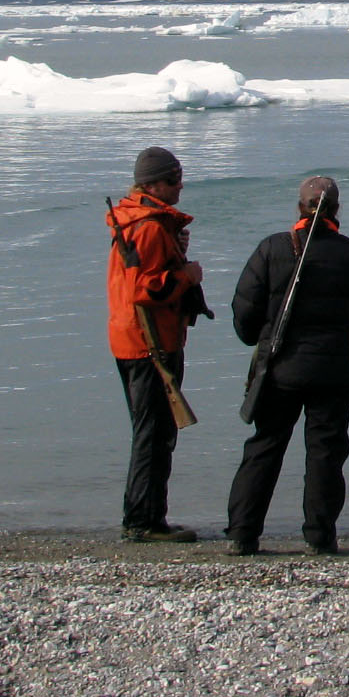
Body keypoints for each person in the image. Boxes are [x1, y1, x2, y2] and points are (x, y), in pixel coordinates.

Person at [226, 176, 349, 555]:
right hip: (333, 368)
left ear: (300, 207)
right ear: (336, 210)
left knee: (264, 446)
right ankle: (320, 536)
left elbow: (244, 311)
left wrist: (257, 337)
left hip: (279, 369)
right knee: (326, 452)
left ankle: (243, 535)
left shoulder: (272, 248)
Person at [105, 145, 205, 543]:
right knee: (154, 432)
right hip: (149, 343)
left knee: (155, 430)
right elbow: (143, 289)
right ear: (155, 184)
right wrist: (188, 277)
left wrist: (176, 254)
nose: (180, 186)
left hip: (133, 338)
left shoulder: (137, 221)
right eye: (174, 179)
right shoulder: (146, 226)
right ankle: (142, 522)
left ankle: (148, 517)